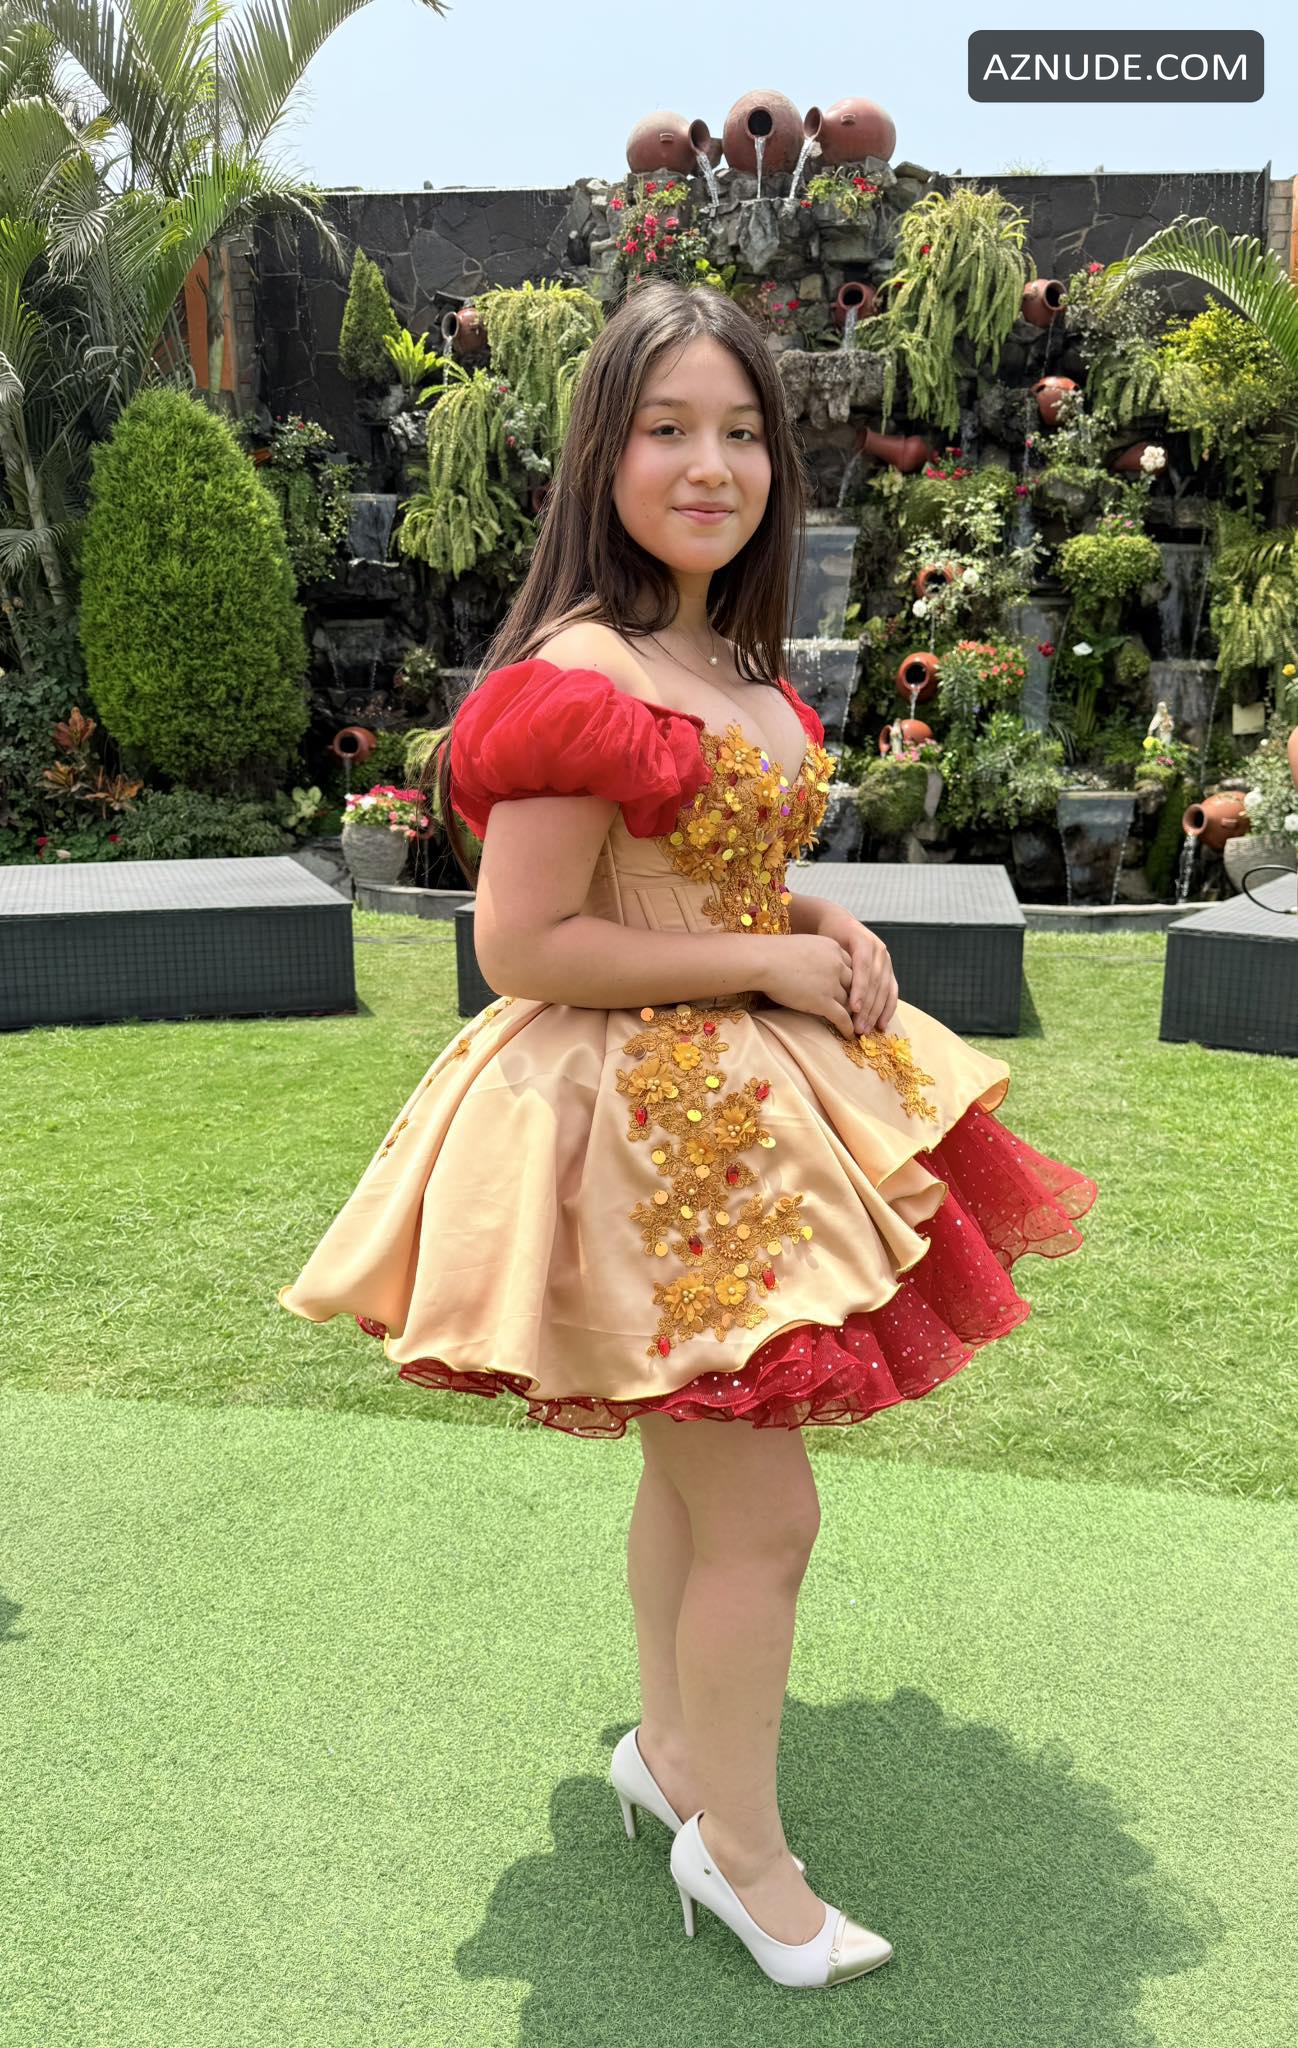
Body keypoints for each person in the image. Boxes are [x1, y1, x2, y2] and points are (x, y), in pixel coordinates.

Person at [278, 280, 1097, 1991]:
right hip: (638, 1134)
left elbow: (697, 868)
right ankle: (741, 1853)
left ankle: (670, 1755)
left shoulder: (721, 660)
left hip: (735, 1116)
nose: (708, 465)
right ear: (604, 453)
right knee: (764, 1519)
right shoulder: (576, 675)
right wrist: (765, 963)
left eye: (739, 432)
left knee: (695, 1471)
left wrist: (814, 916)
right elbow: (523, 944)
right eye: (667, 430)